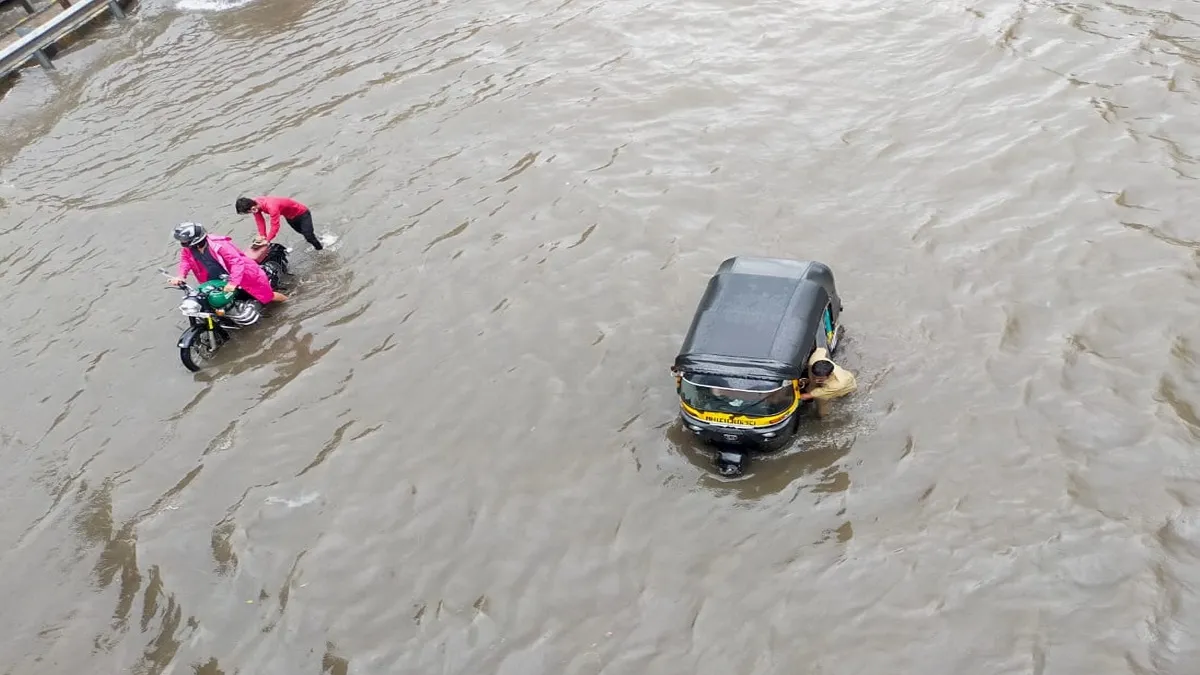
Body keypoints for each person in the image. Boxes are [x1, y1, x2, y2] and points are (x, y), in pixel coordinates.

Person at [167, 222, 288, 304]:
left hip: (241, 275)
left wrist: (233, 283)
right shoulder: (188, 249)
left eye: (185, 241)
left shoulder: (220, 245)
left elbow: (236, 262)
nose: (183, 243)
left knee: (267, 297)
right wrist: (181, 276)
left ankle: (288, 301)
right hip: (215, 280)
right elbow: (185, 261)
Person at [235, 195, 323, 251]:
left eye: (250, 211)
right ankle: (317, 239)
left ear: (252, 207)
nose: (251, 213)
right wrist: (262, 236)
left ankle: (321, 250)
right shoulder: (254, 205)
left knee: (308, 236)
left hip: (302, 214)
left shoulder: (271, 206)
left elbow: (275, 226)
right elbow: (260, 222)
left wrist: (267, 240)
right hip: (290, 217)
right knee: (304, 233)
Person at [799, 347, 857, 417]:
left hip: (846, 386)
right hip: (833, 381)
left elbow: (815, 394)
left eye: (820, 380)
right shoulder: (814, 360)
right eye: (814, 377)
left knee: (822, 410)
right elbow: (821, 349)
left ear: (829, 375)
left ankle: (823, 417)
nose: (816, 380)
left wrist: (800, 397)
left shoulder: (837, 384)